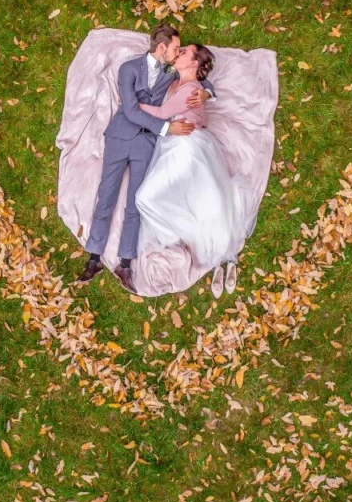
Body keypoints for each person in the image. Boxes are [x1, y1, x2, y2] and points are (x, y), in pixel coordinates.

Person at [74, 24, 215, 285]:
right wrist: (166, 128)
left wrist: (207, 93)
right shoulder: (128, 69)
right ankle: (94, 258)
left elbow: (199, 78)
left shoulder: (172, 71)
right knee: (106, 196)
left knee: (136, 202)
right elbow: (129, 110)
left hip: (146, 143)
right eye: (175, 48)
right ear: (161, 48)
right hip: (120, 137)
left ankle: (125, 263)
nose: (178, 52)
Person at [122, 44, 256, 298]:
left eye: (184, 52)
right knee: (193, 199)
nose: (178, 53)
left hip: (186, 147)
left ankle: (211, 249)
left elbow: (162, 113)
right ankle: (212, 251)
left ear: (194, 63)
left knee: (146, 198)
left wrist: (133, 106)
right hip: (172, 144)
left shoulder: (192, 90)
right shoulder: (178, 81)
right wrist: (208, 92)